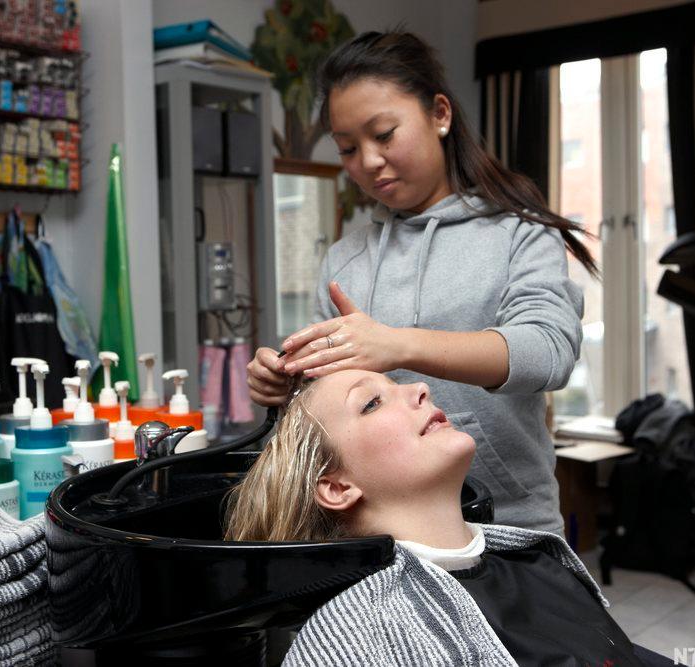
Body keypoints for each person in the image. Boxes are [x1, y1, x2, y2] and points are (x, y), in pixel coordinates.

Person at [247, 30, 597, 534]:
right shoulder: (346, 261)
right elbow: (334, 404)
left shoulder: (519, 232)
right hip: (387, 531)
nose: (367, 162)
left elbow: (547, 351)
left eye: (384, 134)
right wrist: (289, 383)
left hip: (511, 523)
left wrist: (397, 346)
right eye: (347, 149)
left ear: (440, 114)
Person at [226, 370, 671, 667]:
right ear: (338, 487)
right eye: (371, 404)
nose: (420, 387)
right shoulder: (358, 636)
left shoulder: (537, 560)